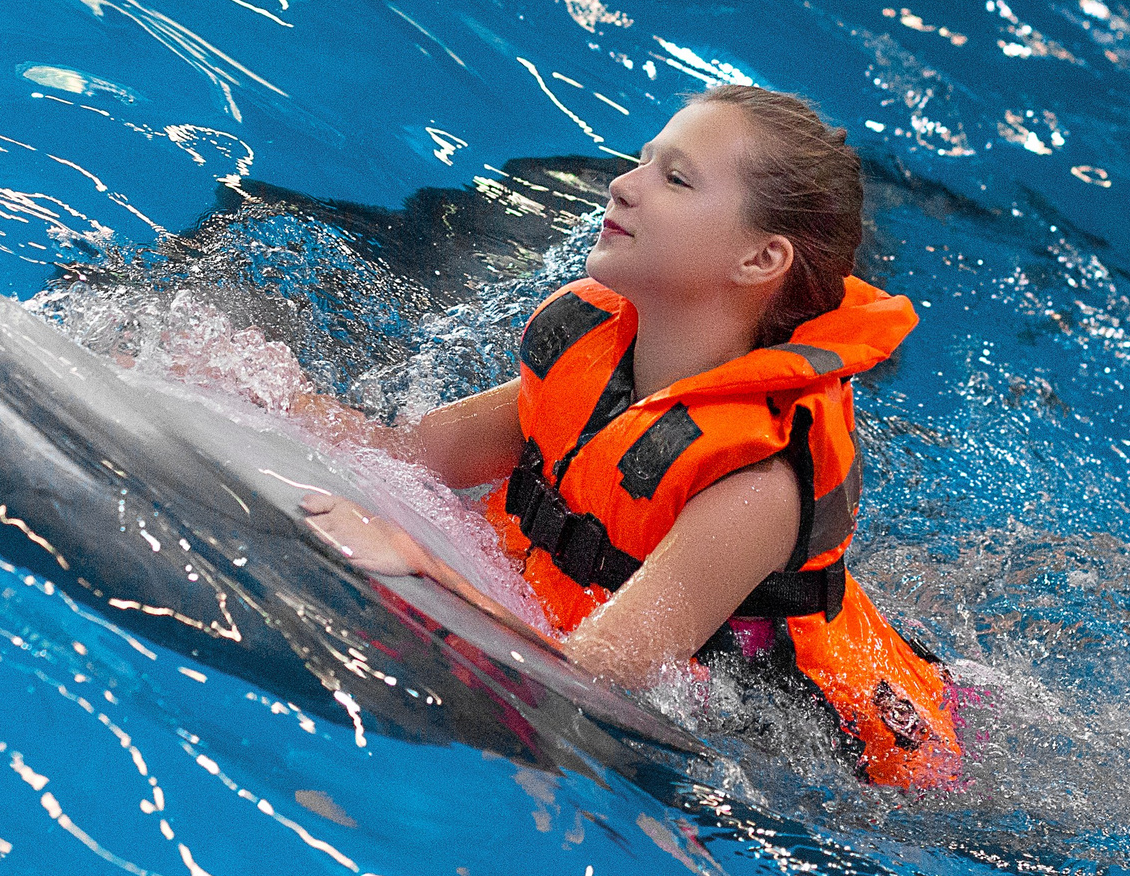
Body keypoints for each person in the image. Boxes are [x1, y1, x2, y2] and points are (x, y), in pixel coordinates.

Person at [299, 84, 959, 787]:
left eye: (675, 178)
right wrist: (252, 389)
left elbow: (587, 675)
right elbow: (407, 456)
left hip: (866, 777)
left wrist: (424, 568)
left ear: (761, 260)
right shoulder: (594, 360)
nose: (621, 184)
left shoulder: (758, 482)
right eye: (644, 162)